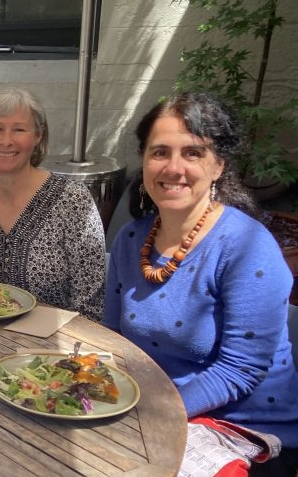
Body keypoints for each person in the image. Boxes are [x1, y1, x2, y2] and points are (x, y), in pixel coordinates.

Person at [105, 93, 298, 475]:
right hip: (151, 410)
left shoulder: (247, 248)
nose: (174, 167)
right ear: (144, 162)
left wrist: (142, 413)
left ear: (218, 166)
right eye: (160, 152)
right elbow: (113, 338)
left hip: (241, 427)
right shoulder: (131, 239)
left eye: (192, 153)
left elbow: (238, 372)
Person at [0, 88, 106, 320]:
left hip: (52, 347)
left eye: (19, 129)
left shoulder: (73, 200)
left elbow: (91, 302)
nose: (6, 141)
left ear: (38, 135)